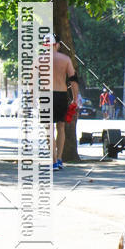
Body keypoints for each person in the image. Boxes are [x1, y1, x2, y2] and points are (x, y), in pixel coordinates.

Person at [46, 34, 79, 170]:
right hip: (61, 95)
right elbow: (73, 79)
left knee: (49, 129)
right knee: (61, 127)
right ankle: (59, 158)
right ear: (57, 45)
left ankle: (53, 160)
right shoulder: (65, 59)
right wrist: (75, 98)